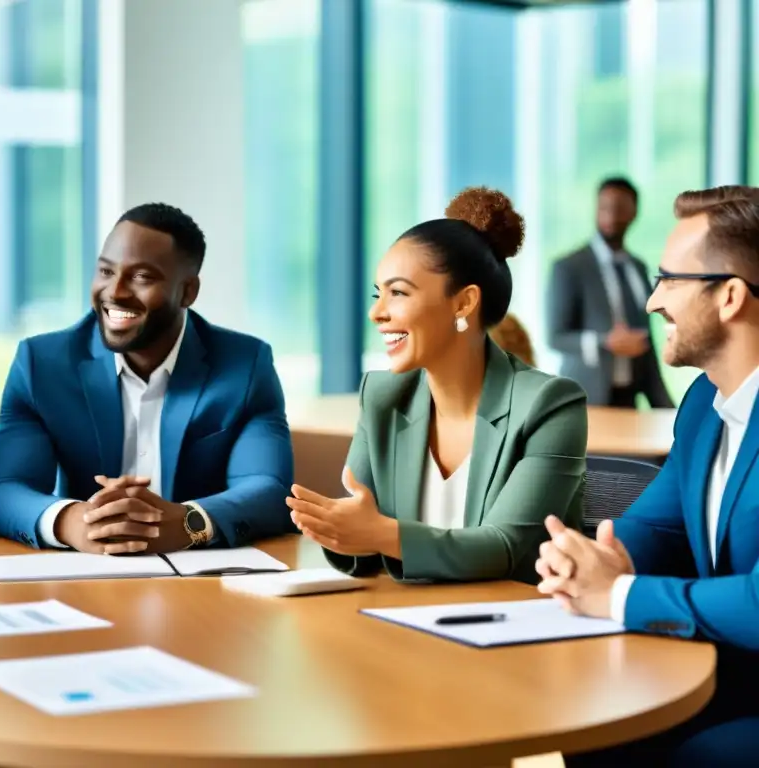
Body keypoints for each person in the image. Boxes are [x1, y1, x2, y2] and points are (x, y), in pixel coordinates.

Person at [537, 186, 759, 767]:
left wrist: (618, 595)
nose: (654, 301)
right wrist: (595, 558)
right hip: (722, 671)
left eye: (670, 280)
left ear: (731, 296)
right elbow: (660, 526)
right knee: (591, 725)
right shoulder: (703, 406)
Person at [287, 187, 588, 585]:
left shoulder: (549, 405)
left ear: (464, 303)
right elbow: (365, 542)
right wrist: (342, 531)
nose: (377, 312)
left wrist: (378, 533)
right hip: (413, 619)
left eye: (397, 293)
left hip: (515, 627)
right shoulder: (382, 396)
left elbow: (505, 547)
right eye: (379, 294)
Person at [0, 202, 294, 553]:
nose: (115, 292)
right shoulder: (43, 364)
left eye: (142, 277)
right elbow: (6, 490)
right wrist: (73, 521)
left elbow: (268, 488)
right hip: (85, 575)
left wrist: (187, 522)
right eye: (106, 272)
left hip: (201, 579)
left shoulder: (245, 366)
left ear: (188, 291)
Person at [547, 177, 673, 408]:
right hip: (585, 399)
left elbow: (645, 341)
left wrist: (664, 405)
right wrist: (604, 342)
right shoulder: (569, 267)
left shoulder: (638, 267)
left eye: (619, 208)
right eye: (604, 207)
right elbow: (556, 337)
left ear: (633, 212)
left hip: (629, 399)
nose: (611, 215)